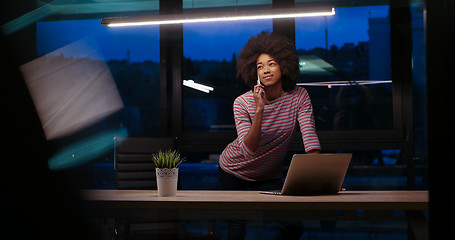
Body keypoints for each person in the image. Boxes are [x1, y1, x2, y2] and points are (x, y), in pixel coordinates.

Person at [218, 31, 321, 240]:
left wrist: (318, 176)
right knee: (236, 229)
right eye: (260, 66)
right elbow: (248, 151)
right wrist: (259, 109)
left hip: (268, 175)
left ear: (284, 65)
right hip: (233, 169)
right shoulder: (242, 102)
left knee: (293, 226)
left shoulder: (299, 97)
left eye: (271, 63)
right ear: (253, 73)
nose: (266, 70)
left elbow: (310, 138)